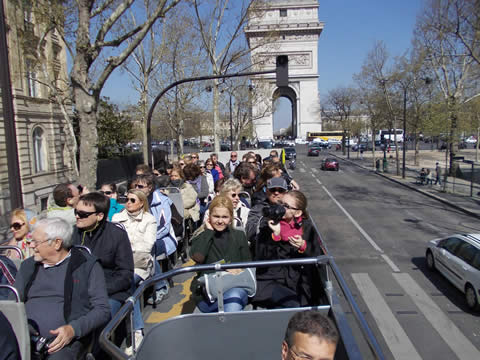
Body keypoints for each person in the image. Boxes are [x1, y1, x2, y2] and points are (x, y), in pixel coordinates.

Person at [15, 218, 111, 359]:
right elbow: (13, 302)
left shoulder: (86, 265)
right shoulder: (28, 266)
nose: (31, 246)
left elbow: (102, 310)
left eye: (36, 242)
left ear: (57, 243)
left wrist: (73, 329)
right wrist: (21, 325)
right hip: (25, 336)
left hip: (67, 340)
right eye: (31, 240)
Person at [71, 193, 134, 322]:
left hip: (109, 292)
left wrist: (99, 289)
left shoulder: (117, 235)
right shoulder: (71, 234)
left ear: (99, 216)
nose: (77, 216)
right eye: (76, 212)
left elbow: (125, 273)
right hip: (76, 291)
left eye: (83, 214)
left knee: (98, 318)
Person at [254, 190, 323, 308]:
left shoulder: (307, 228)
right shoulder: (268, 224)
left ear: (297, 213)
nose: (280, 207)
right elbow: (260, 255)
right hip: (272, 281)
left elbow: (319, 256)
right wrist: (275, 236)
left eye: (285, 206)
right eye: (280, 203)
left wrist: (303, 246)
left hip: (300, 282)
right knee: (293, 305)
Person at [190, 196, 251, 312]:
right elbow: (198, 257)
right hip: (209, 293)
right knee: (232, 301)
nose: (220, 221)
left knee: (234, 298)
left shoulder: (239, 236)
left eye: (225, 217)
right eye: (216, 216)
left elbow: (248, 263)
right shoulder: (201, 236)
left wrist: (240, 270)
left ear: (231, 218)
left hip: (234, 286)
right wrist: (208, 232)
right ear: (209, 216)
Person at [112, 189, 156, 350]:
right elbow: (112, 243)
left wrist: (123, 249)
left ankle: (136, 330)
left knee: (127, 282)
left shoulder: (149, 220)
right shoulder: (117, 218)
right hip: (119, 265)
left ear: (141, 203)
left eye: (132, 200)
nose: (128, 203)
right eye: (127, 200)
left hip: (140, 265)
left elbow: (147, 246)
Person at [131, 175, 176, 304]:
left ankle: (161, 286)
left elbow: (165, 227)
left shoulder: (162, 201)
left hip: (163, 238)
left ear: (149, 188)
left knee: (148, 250)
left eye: (140, 186)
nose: (137, 188)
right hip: (138, 240)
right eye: (135, 186)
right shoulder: (133, 201)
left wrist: (147, 239)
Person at [246, 177, 287, 250]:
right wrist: (265, 220)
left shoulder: (290, 209)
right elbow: (250, 231)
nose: (276, 193)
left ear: (285, 192)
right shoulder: (258, 208)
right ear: (267, 191)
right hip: (265, 248)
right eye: (273, 190)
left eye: (280, 190)